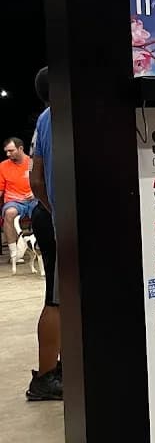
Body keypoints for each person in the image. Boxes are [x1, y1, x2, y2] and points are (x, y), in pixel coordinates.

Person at [28, 66, 61, 401]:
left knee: (66, 295)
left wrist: (50, 207)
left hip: (47, 213)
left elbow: (35, 180)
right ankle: (45, 377)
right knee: (56, 299)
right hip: (60, 220)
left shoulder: (44, 118)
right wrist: (61, 213)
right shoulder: (67, 114)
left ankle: (62, 366)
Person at [0, 136, 36, 265]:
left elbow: (42, 182)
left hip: (34, 199)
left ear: (20, 148)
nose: (8, 154)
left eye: (11, 151)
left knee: (43, 213)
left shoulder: (32, 162)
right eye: (6, 152)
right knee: (9, 213)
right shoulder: (3, 166)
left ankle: (42, 248)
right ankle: (14, 254)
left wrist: (34, 192)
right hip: (14, 201)